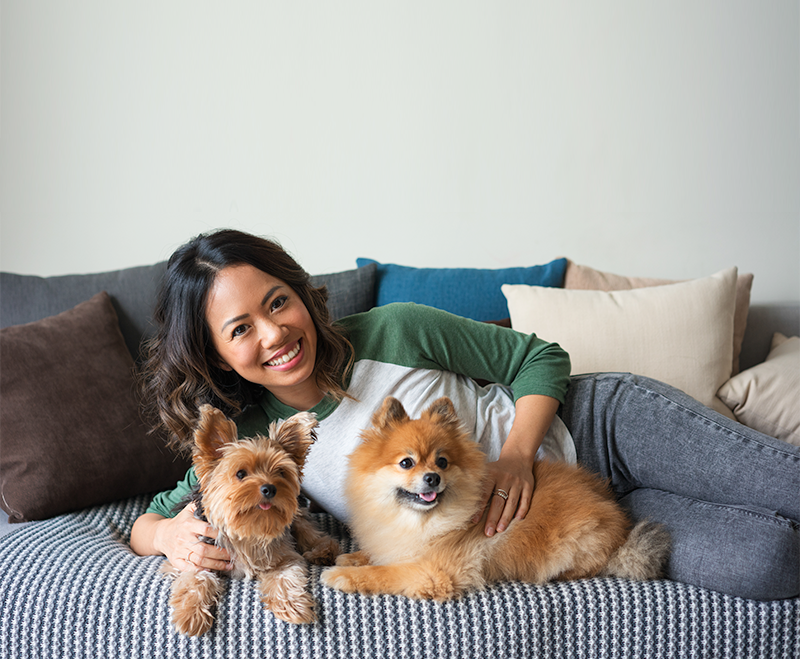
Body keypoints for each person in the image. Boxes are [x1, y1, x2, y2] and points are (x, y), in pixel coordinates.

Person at [130, 229, 800, 601]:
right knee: (769, 563)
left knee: (784, 483)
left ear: (301, 293)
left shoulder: (395, 328)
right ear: (215, 355)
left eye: (278, 302)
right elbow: (151, 518)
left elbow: (540, 358)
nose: (274, 333)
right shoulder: (261, 442)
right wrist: (166, 538)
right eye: (241, 329)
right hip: (575, 520)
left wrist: (516, 457)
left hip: (604, 429)